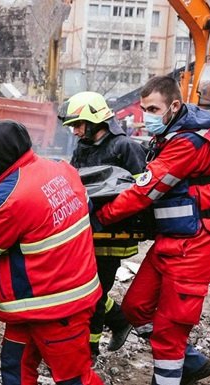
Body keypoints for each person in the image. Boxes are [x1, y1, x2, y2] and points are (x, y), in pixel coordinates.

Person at [92, 75, 210, 385]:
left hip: (197, 245)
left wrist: (101, 216)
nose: (147, 116)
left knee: (169, 333)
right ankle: (190, 362)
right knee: (135, 308)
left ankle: (172, 370)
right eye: (144, 109)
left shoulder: (187, 143)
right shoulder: (172, 135)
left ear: (174, 106)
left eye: (153, 109)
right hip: (174, 241)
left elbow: (146, 189)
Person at [0, 119, 103, 385]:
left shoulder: (11, 196)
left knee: (74, 379)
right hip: (49, 301)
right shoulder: (60, 169)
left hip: (55, 307)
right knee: (15, 366)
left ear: (4, 154)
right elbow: (84, 205)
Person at [58, 91, 147, 358]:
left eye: (77, 125)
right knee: (88, 289)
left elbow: (140, 194)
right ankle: (119, 321)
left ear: (96, 120)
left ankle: (90, 349)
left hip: (114, 235)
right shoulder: (83, 147)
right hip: (89, 231)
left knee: (94, 293)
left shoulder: (125, 147)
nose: (74, 132)